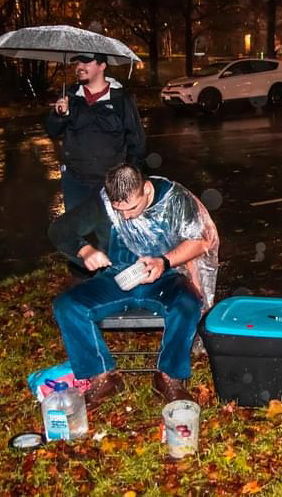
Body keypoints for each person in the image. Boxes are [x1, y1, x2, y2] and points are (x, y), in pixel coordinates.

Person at [48, 163, 219, 409]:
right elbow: (60, 229)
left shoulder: (174, 199)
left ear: (146, 191)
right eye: (120, 211)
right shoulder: (104, 203)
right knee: (67, 305)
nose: (126, 216)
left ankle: (168, 376)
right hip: (117, 278)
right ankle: (102, 376)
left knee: (188, 304)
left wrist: (164, 262)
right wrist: (84, 251)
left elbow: (200, 240)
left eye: (131, 209)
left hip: (164, 277)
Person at [45, 53, 147, 210]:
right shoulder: (70, 95)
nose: (79, 68)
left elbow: (137, 143)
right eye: (77, 63)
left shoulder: (121, 99)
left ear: (102, 66)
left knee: (109, 233)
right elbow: (52, 131)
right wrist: (60, 115)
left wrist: (130, 183)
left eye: (86, 63)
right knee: (74, 231)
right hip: (75, 181)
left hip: (110, 184)